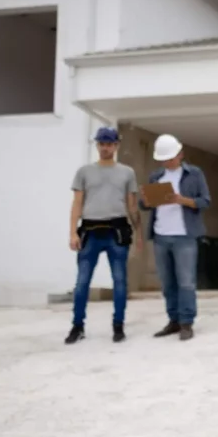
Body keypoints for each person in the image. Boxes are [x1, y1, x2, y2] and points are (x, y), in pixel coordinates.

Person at [65, 127, 143, 344]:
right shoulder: (84, 172)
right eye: (101, 143)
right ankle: (77, 326)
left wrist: (138, 234)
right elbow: (77, 203)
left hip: (117, 231)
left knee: (120, 281)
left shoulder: (127, 172)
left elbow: (132, 206)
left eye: (109, 144)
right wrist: (72, 232)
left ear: (116, 146)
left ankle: (118, 326)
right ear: (97, 145)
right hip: (89, 231)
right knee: (82, 283)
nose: (105, 147)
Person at [140, 134, 211, 342]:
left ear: (180, 154)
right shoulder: (156, 176)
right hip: (161, 236)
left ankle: (186, 322)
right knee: (167, 283)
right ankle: (173, 321)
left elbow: (205, 201)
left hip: (185, 236)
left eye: (170, 157)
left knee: (186, 282)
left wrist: (182, 200)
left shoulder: (195, 174)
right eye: (164, 159)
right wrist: (146, 200)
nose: (167, 162)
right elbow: (144, 206)